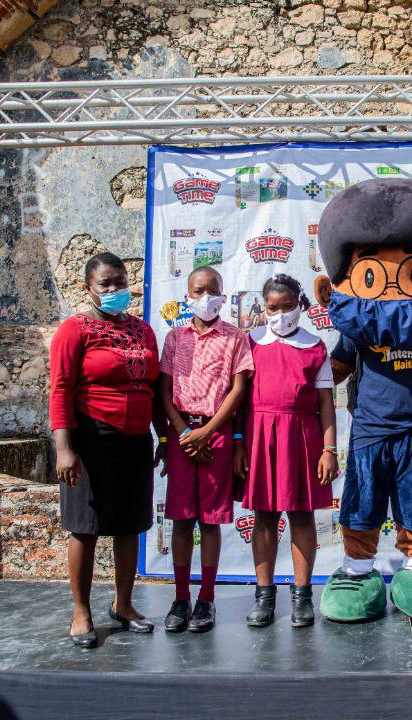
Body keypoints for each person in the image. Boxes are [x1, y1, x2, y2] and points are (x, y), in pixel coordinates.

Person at [312, 178, 412, 624]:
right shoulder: (355, 333)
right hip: (368, 431)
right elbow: (333, 371)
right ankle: (357, 571)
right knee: (362, 502)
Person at [49, 252, 161, 649]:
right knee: (86, 526)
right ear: (89, 288)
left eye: (120, 282)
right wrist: (64, 448)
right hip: (91, 438)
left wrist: (163, 438)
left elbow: (155, 388)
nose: (115, 289)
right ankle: (81, 612)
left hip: (135, 439)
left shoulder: (142, 330)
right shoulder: (74, 330)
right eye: (106, 284)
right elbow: (60, 389)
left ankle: (123, 605)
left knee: (130, 524)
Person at [236, 274, 339, 628]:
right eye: (272, 308)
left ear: (300, 306)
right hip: (260, 436)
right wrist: (239, 444)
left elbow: (325, 403)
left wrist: (329, 449)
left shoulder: (315, 346)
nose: (280, 314)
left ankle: (302, 596)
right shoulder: (250, 342)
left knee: (302, 516)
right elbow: (237, 400)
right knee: (265, 517)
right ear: (263, 308)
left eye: (288, 306)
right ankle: (264, 597)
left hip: (302, 437)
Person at [158, 266, 253, 634]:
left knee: (210, 522)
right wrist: (185, 433)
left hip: (216, 434)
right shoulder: (174, 338)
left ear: (223, 296)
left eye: (213, 291)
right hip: (182, 433)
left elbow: (238, 390)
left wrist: (207, 432)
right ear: (187, 296)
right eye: (199, 291)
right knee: (182, 520)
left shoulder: (235, 338)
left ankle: (207, 598)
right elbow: (164, 391)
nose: (206, 297)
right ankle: (181, 598)